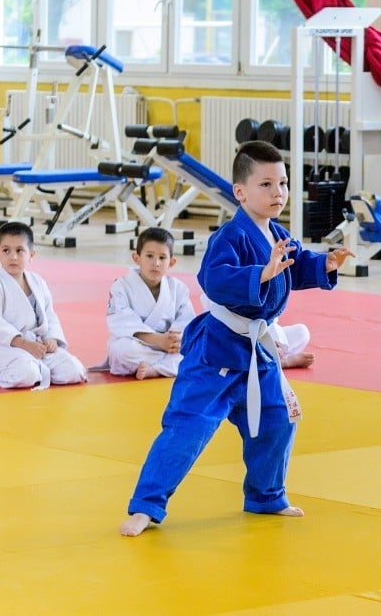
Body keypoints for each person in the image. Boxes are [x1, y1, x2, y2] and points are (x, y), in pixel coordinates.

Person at [119, 140, 354, 537]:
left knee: (278, 421)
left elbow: (295, 267)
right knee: (187, 427)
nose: (278, 193)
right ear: (240, 191)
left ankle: (265, 496)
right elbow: (213, 278)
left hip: (258, 354)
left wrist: (324, 264)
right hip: (217, 351)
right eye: (266, 185)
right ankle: (147, 506)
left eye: (282, 184)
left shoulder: (277, 233)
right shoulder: (228, 237)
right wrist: (261, 274)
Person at [0, 221, 87, 390]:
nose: (13, 256)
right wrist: (22, 343)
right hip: (6, 346)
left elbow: (50, 315)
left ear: (31, 254)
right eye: (6, 250)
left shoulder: (37, 281)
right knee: (26, 374)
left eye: (19, 250)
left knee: (74, 371)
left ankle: (38, 368)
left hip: (37, 344)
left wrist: (51, 338)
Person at [102, 227, 196, 380]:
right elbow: (121, 322)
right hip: (137, 345)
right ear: (136, 258)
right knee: (121, 350)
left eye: (162, 257)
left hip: (169, 347)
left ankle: (156, 369)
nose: (156, 263)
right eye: (150, 256)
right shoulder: (121, 286)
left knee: (198, 349)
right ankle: (167, 367)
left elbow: (187, 321)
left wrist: (173, 342)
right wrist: (159, 340)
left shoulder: (178, 288)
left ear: (171, 262)